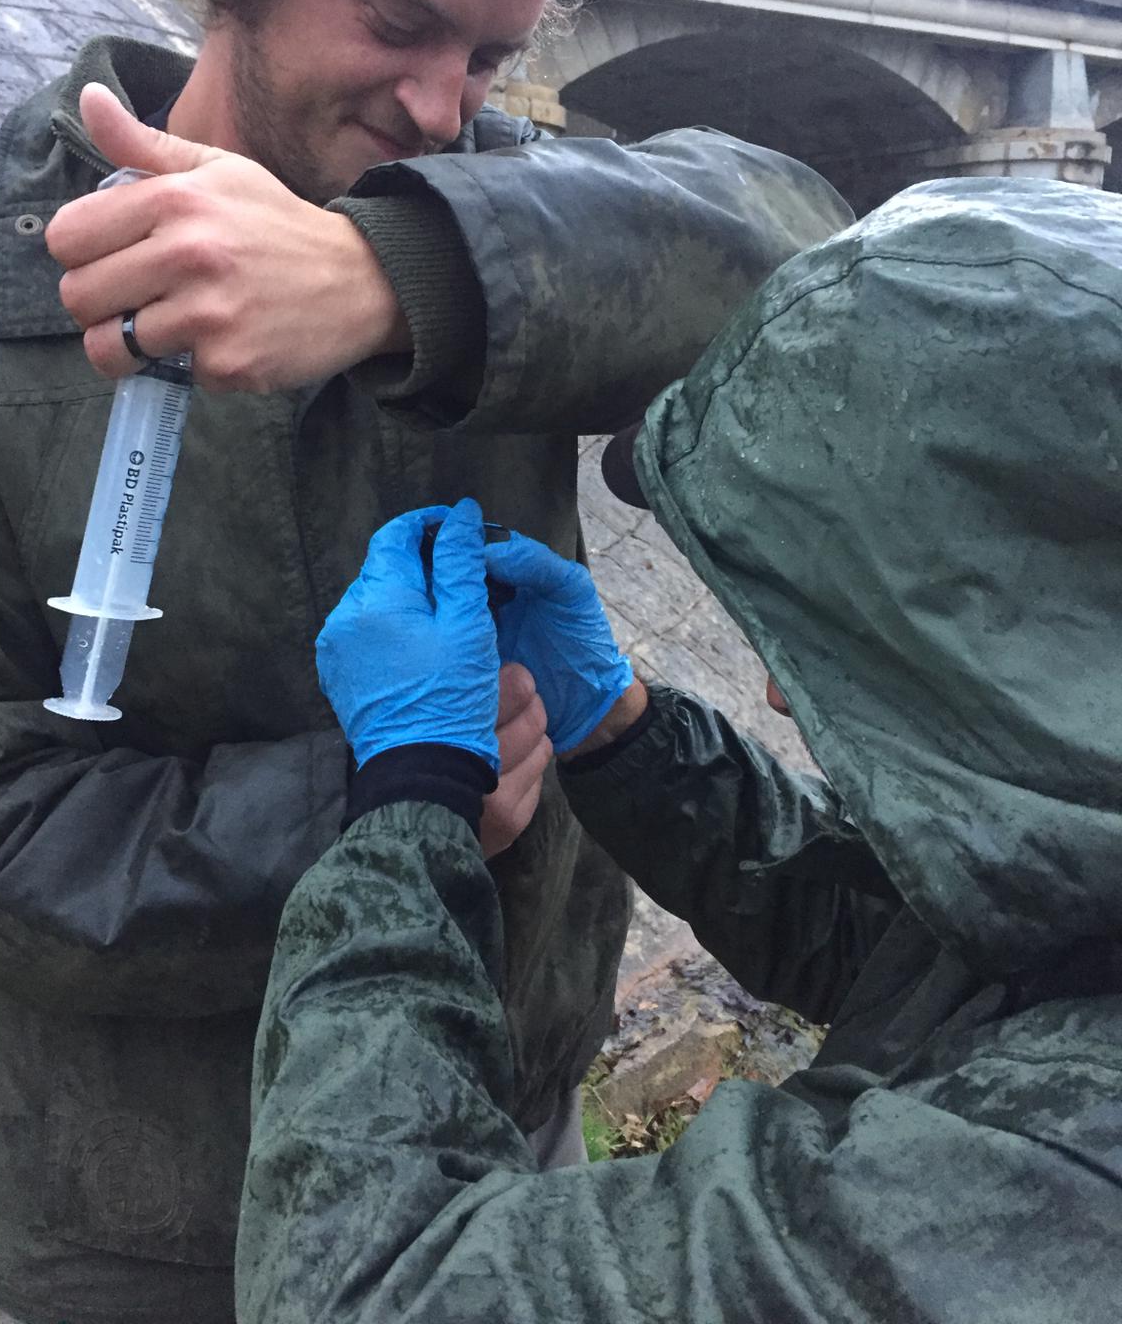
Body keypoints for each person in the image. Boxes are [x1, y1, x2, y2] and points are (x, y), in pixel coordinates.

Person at [0, 0, 852, 1320]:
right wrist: (380, 804)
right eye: (400, 22)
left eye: (489, 56)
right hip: (149, 1233)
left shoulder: (494, 226)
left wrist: (392, 273)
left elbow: (808, 250)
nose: (441, 106)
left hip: (504, 1145)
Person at [239, 177, 1122, 1323]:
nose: (777, 691)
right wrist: (621, 730)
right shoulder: (1081, 906)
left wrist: (406, 796)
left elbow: (371, 1287)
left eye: (843, 629)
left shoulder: (1058, 1177)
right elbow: (907, 953)